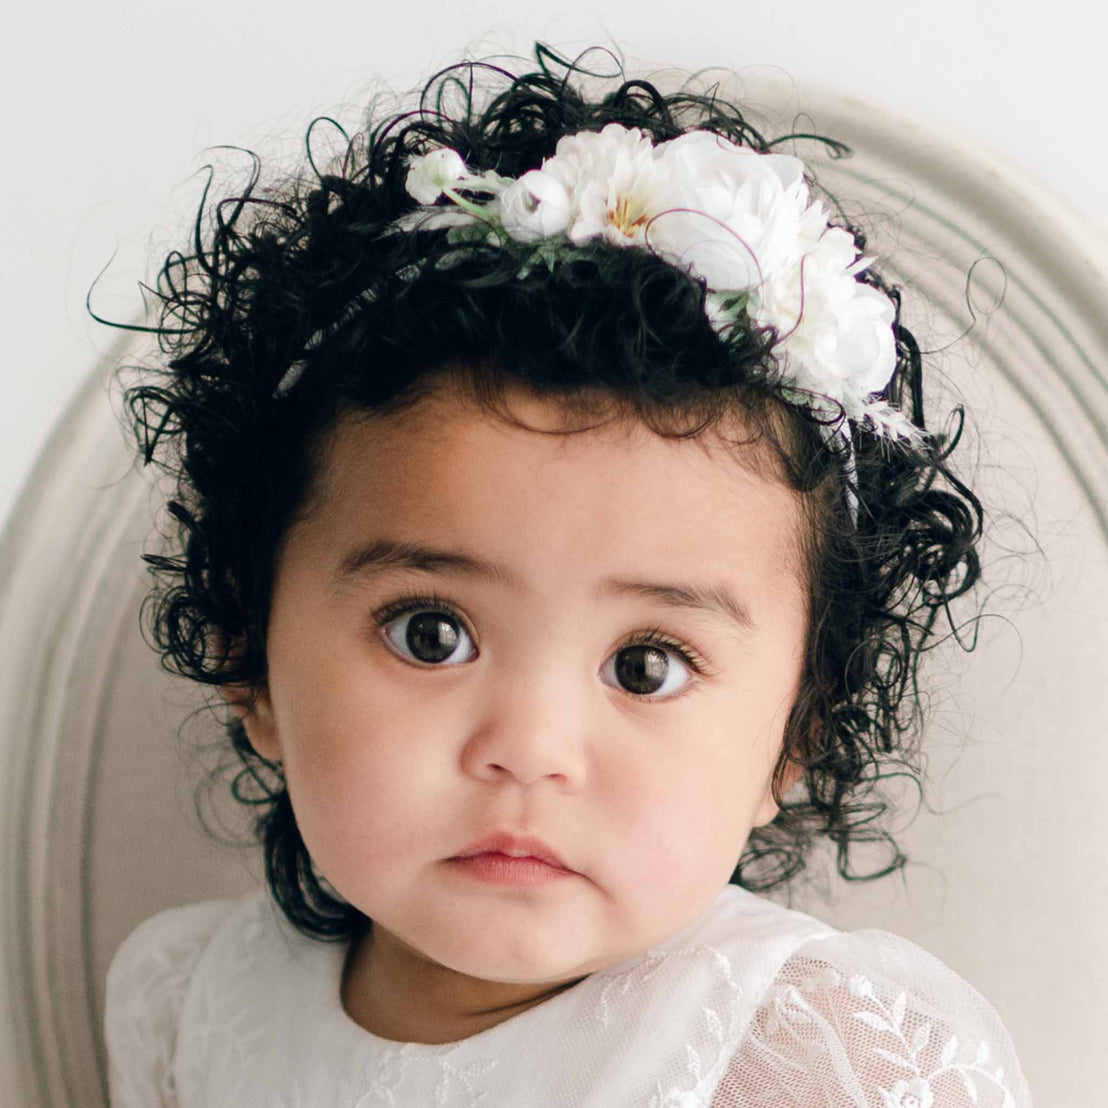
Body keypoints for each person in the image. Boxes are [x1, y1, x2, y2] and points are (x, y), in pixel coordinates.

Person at [99, 42, 1033, 1107]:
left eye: (644, 665)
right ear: (244, 650)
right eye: (430, 632)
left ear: (798, 730)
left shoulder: (806, 1057)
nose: (529, 751)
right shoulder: (190, 1003)